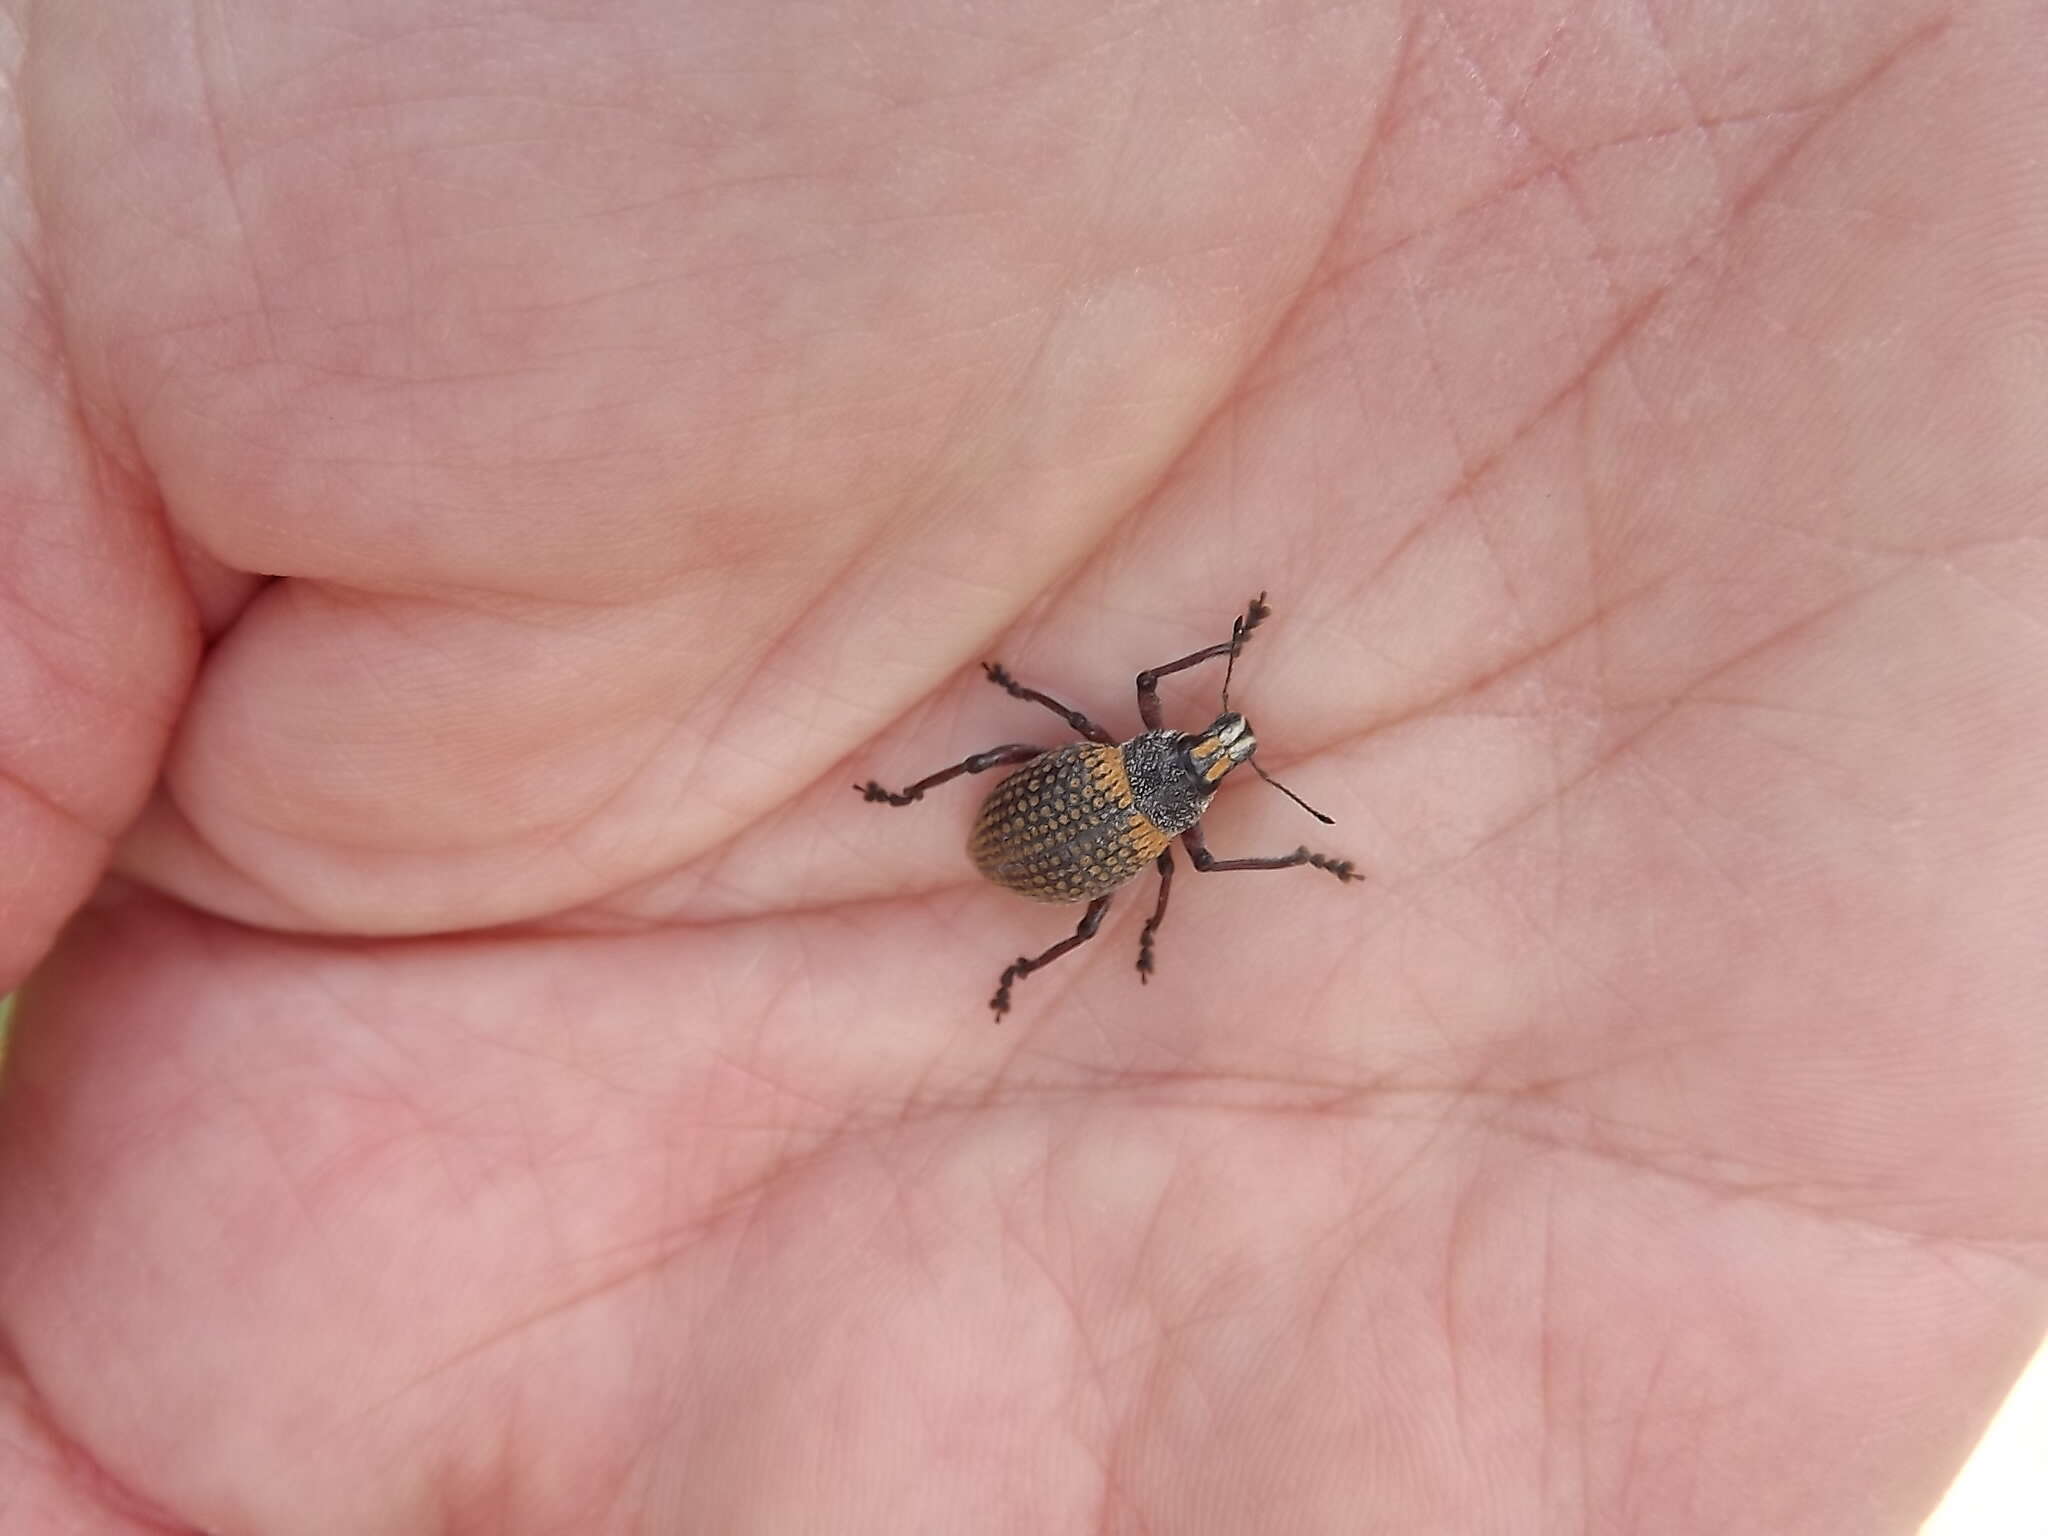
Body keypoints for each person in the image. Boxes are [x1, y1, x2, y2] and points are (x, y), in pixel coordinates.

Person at [1, 1, 2042, 1528]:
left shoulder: (1153, 835)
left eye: (1214, 760)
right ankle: (955, 868)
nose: (1208, 759)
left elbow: (1146, 826)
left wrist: (1260, 863)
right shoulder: (1139, 778)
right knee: (1045, 822)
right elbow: (1125, 763)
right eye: (1205, 742)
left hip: (1024, 870)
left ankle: (986, 908)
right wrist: (1213, 696)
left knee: (1069, 878)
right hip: (1004, 850)